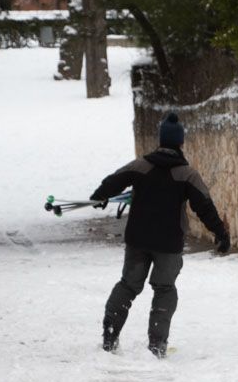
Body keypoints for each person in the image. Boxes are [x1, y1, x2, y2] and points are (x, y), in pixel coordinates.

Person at [91, 113, 230, 357]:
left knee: (128, 285)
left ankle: (109, 336)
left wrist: (100, 195)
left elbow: (112, 182)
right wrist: (220, 233)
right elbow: (205, 207)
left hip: (138, 239)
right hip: (169, 242)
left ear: (161, 140)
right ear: (180, 142)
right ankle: (157, 345)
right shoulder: (187, 174)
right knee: (164, 289)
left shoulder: (140, 166)